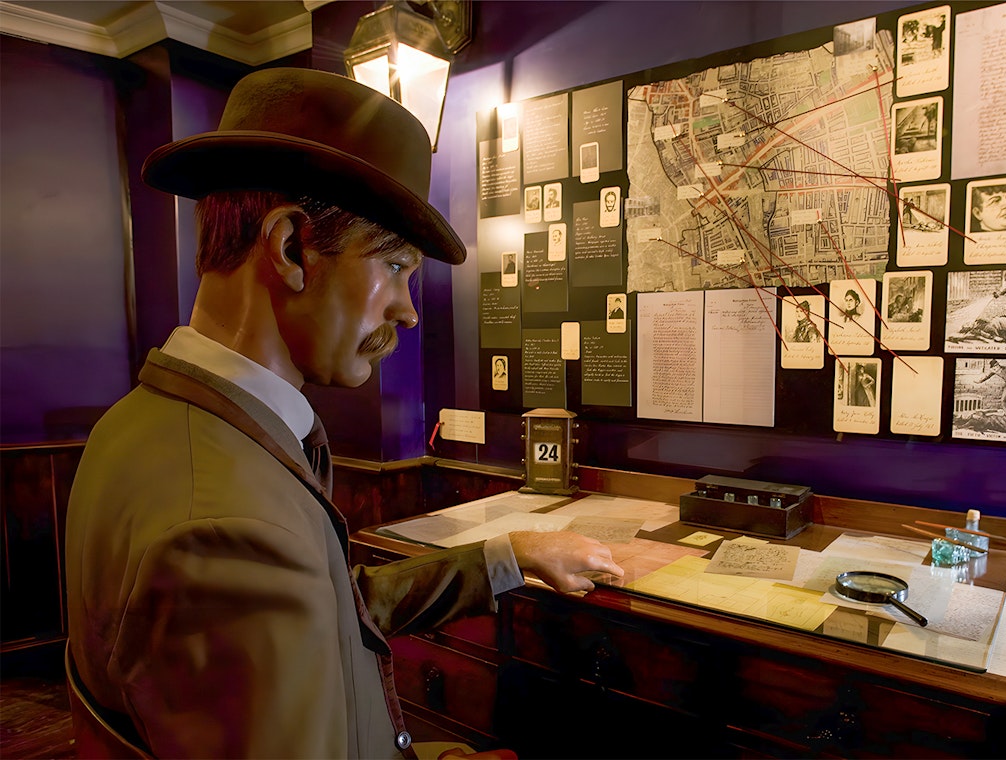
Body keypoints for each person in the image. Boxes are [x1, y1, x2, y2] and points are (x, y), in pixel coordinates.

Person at [64, 68, 624, 760]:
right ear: (291, 248)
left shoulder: (138, 427)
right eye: (395, 267)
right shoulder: (227, 528)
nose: (408, 310)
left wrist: (508, 556)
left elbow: (328, 607)